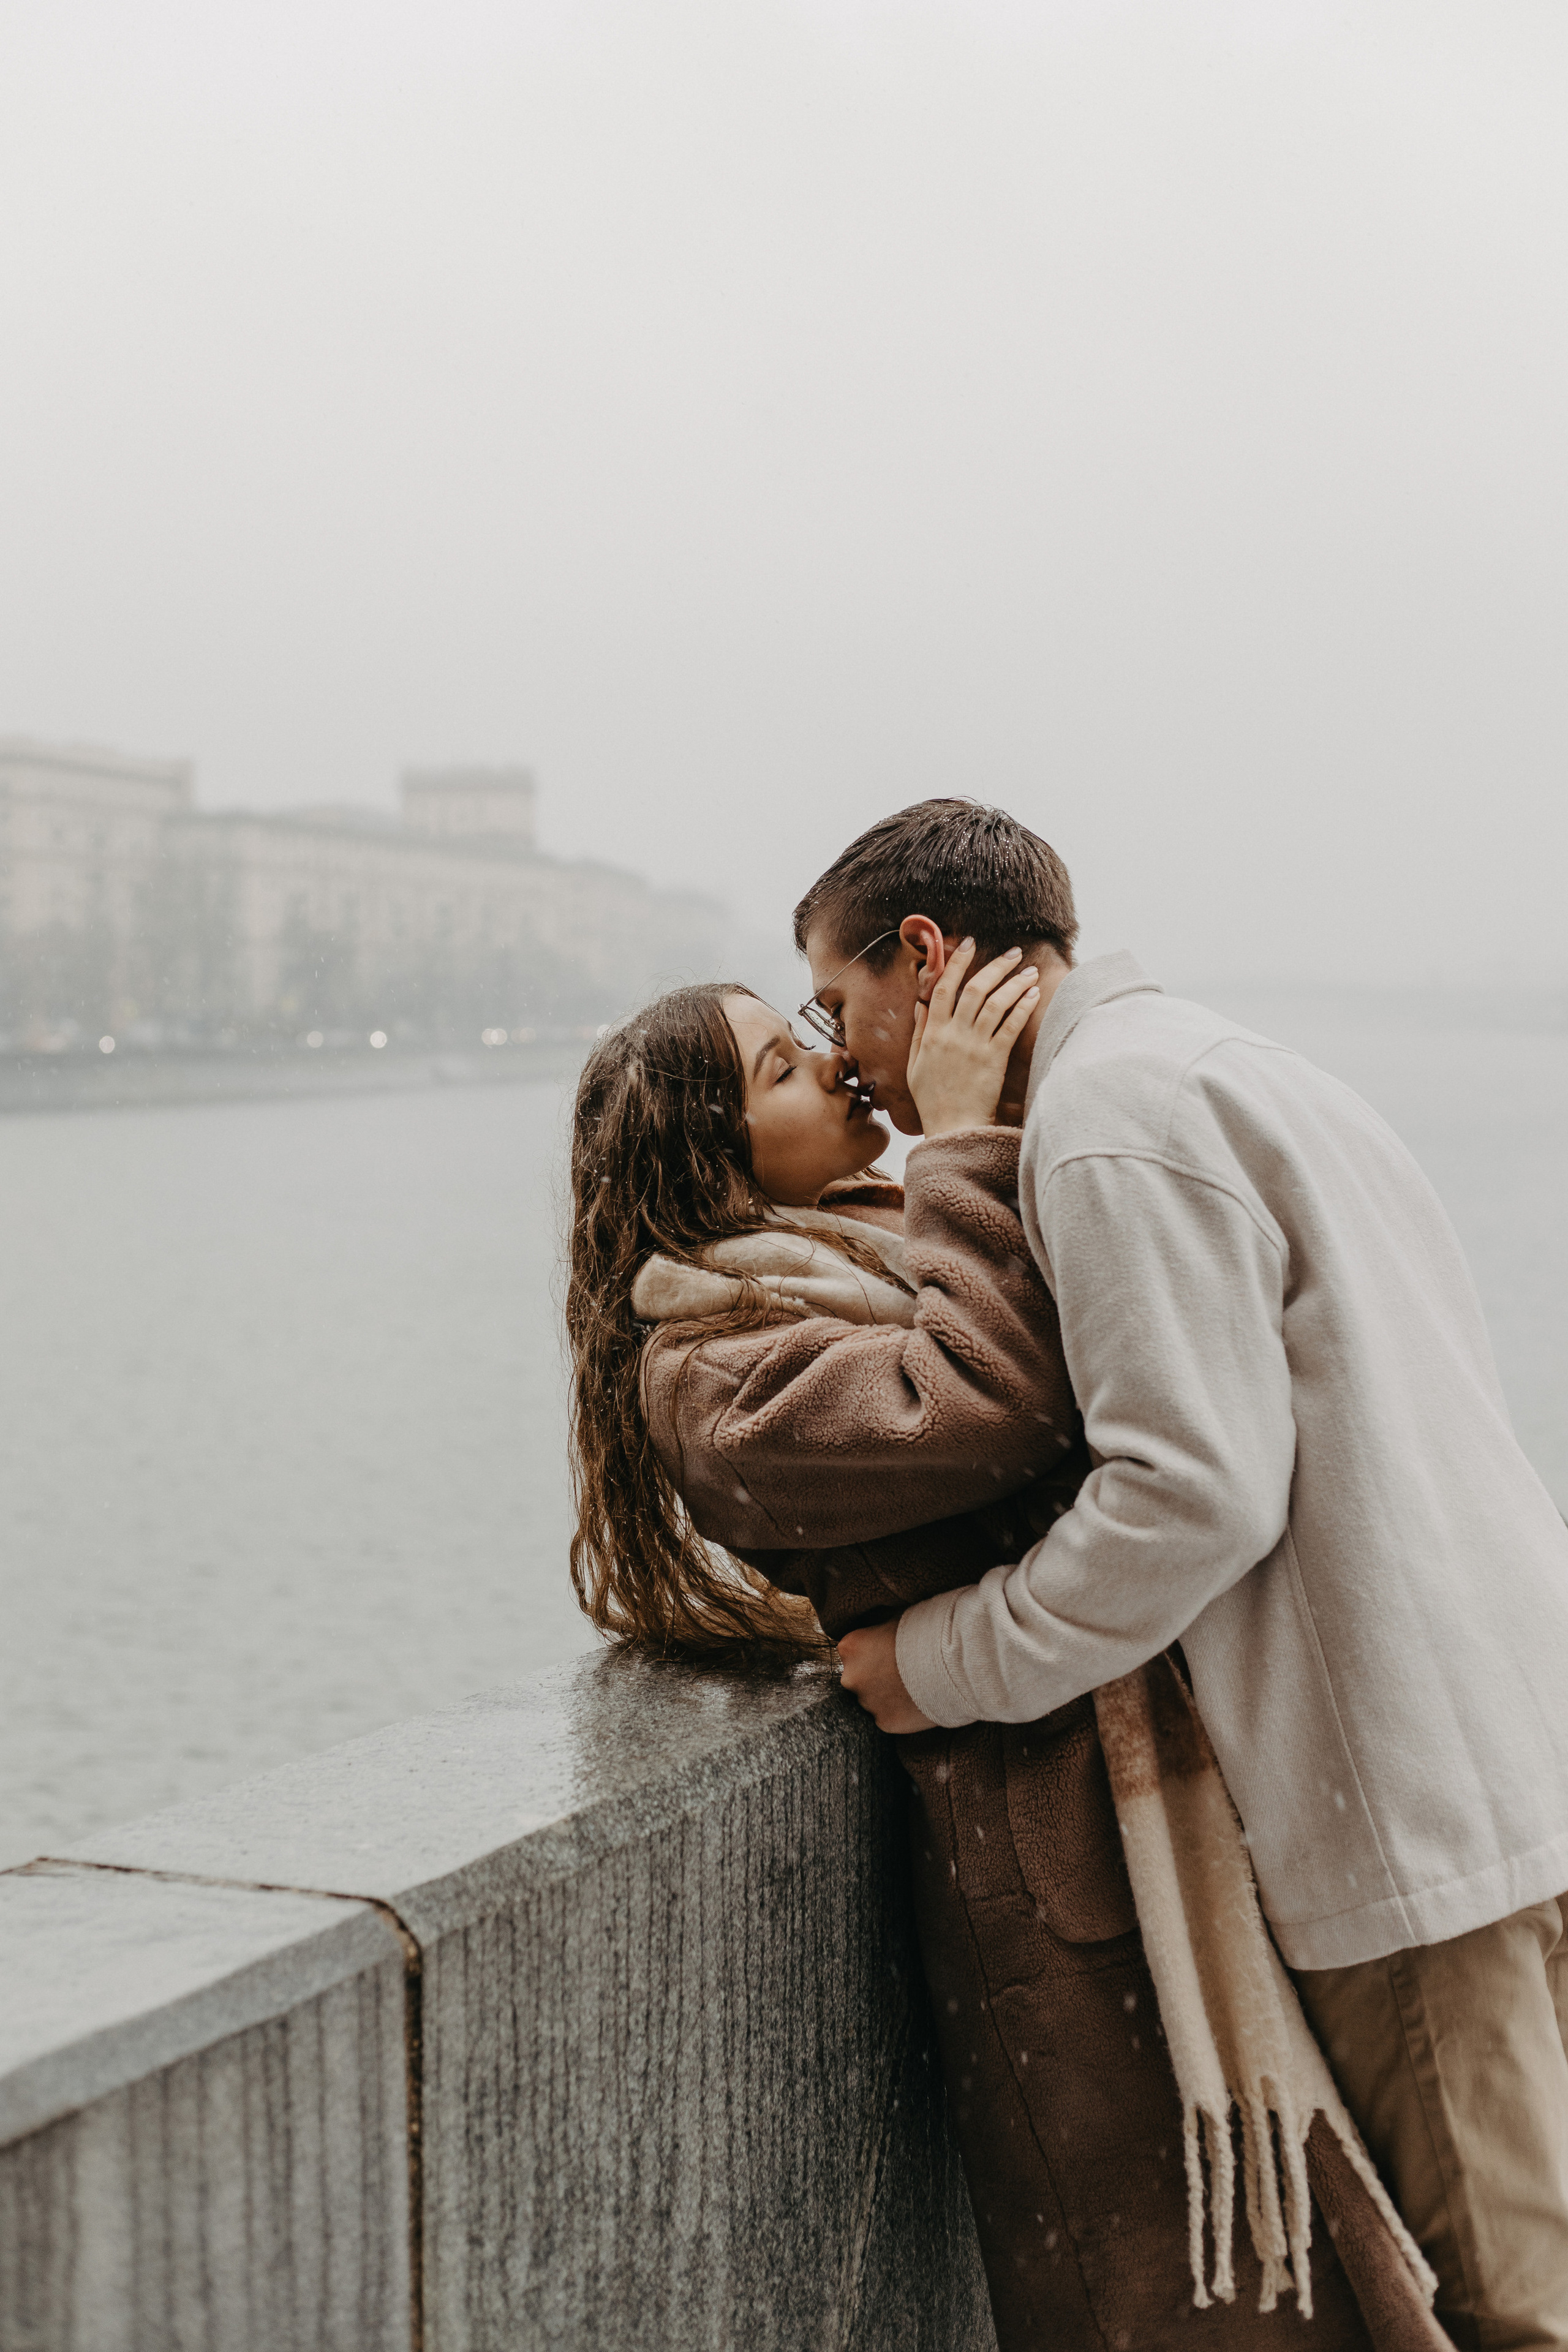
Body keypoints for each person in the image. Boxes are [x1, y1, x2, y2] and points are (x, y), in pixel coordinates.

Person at [564, 963, 1442, 2351]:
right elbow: (991, 1401)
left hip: (1169, 1797)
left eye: (802, 1036)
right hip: (1055, 1863)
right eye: (776, 1074)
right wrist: (962, 1139)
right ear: (706, 1157)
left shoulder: (865, 1245)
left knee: (1299, 2253)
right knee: (1174, 2289)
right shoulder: (712, 1381)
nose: (826, 1064)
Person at [794, 795, 1568, 2352]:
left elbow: (1186, 1493)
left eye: (836, 1000)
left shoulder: (1108, 1122)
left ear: (924, 957)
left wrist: (938, 1660)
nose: (843, 1054)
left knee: (1514, 2313)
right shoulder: (1240, 1064)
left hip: (1398, 1812)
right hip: (1504, 1757)